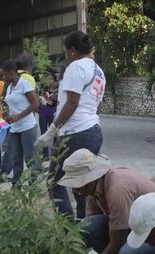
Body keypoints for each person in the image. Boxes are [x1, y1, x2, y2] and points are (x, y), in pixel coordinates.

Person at [36, 30, 106, 219]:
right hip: (93, 131)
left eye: (66, 52)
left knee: (54, 183)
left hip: (74, 133)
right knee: (82, 183)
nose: (65, 56)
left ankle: (70, 232)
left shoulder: (75, 67)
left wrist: (51, 131)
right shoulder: (98, 70)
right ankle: (86, 230)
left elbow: (73, 103)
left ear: (72, 51)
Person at [1, 59, 40, 186]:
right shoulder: (9, 88)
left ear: (11, 73)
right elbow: (11, 104)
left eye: (4, 74)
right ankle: (16, 184)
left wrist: (19, 116)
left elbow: (35, 104)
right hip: (15, 128)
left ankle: (32, 185)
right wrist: (8, 115)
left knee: (29, 157)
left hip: (27, 127)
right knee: (16, 158)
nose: (3, 77)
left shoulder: (24, 84)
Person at [38, 74, 58, 158]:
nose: (49, 81)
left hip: (52, 112)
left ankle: (55, 153)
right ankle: (45, 154)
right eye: (47, 79)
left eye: (51, 79)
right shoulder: (42, 90)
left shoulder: (57, 90)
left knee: (54, 133)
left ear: (54, 81)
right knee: (43, 132)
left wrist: (55, 97)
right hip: (43, 112)